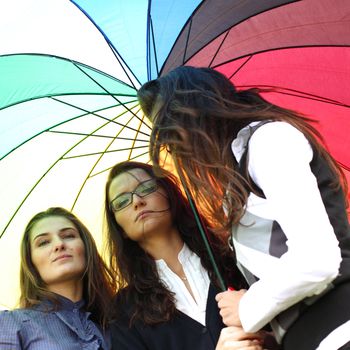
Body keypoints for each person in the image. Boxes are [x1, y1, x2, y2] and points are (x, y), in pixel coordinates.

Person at [137, 66, 350, 350]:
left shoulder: (269, 141)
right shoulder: (237, 184)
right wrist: (269, 335)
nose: (176, 151)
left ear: (196, 112)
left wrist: (247, 307)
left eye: (172, 135)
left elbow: (318, 259)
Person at [104, 161, 274, 350]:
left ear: (169, 194)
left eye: (146, 187)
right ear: (120, 228)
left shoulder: (231, 257)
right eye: (121, 202)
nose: (137, 201)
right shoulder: (125, 311)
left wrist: (263, 336)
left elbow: (288, 319)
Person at [0, 207, 114, 349]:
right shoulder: (11, 323)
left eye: (68, 236)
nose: (59, 244)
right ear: (31, 263)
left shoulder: (114, 325)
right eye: (43, 242)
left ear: (86, 247)